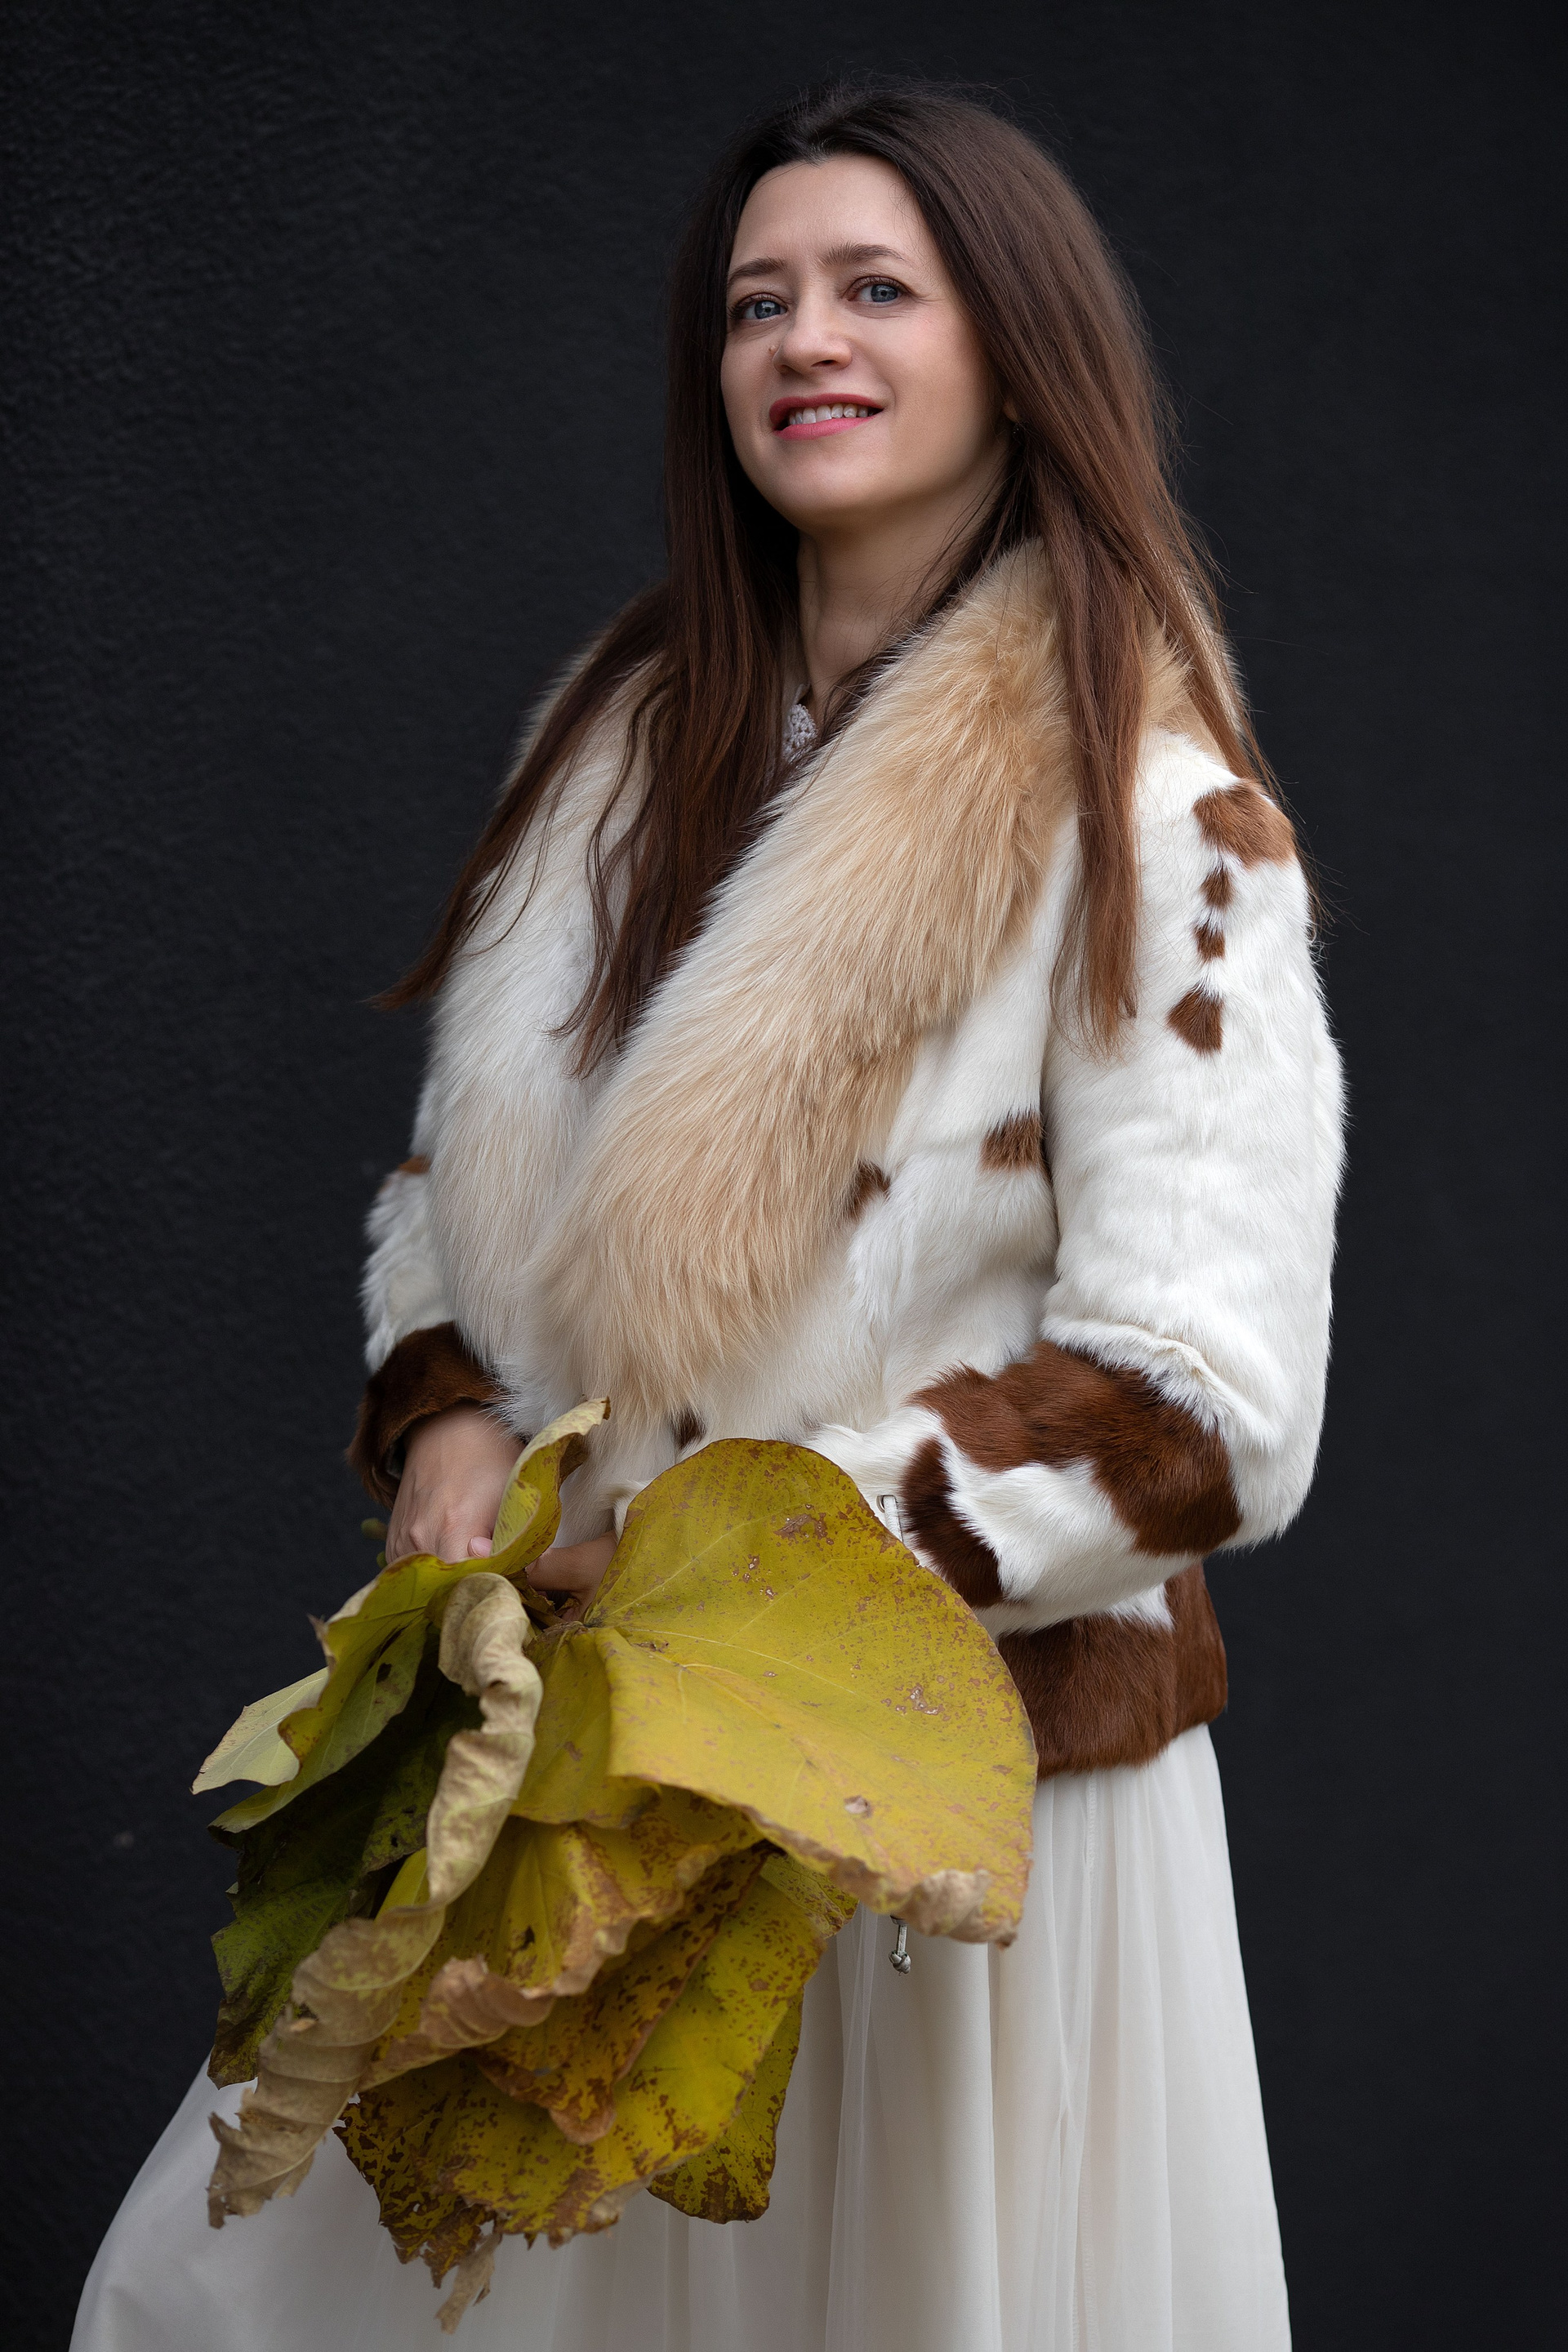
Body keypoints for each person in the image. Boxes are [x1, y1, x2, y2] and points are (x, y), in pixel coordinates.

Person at [74, 81, 1341, 2352]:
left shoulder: (1157, 816)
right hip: (590, 1783)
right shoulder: (615, 761)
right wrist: (449, 1421)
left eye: (876, 290)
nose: (804, 341)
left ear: (1014, 348)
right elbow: (457, 1200)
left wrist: (734, 1553)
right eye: (760, 302)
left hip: (935, 1814)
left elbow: (1203, 1409)